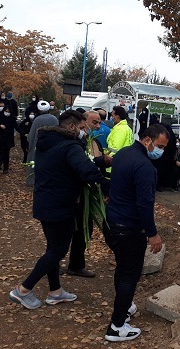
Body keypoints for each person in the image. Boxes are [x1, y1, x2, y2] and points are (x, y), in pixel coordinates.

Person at [9, 110, 109, 310]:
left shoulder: (47, 142)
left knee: (52, 249)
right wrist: (108, 188)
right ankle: (24, 289)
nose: (84, 132)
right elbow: (86, 170)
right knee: (58, 250)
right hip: (61, 205)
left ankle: (55, 291)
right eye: (81, 128)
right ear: (71, 127)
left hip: (44, 202)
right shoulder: (71, 146)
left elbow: (64, 167)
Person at [103, 124, 168, 342]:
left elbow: (115, 184)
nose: (161, 151)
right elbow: (144, 203)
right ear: (148, 140)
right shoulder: (144, 166)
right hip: (129, 228)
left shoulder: (122, 154)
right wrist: (152, 233)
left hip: (111, 222)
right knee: (130, 275)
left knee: (122, 268)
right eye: (160, 146)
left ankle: (125, 305)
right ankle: (117, 326)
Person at [66, 110, 112, 278]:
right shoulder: (75, 142)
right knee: (72, 229)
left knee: (85, 227)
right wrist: (101, 161)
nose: (98, 126)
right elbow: (84, 163)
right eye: (95, 122)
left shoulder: (92, 139)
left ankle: (76, 264)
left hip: (89, 191)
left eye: (99, 122)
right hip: (76, 193)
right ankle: (56, 263)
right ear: (83, 122)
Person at [26, 100, 59, 186]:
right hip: (52, 144)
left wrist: (29, 144)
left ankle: (32, 181)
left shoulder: (37, 120)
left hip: (38, 144)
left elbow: (32, 134)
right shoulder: (54, 119)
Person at [0, 105, 17, 174]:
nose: (7, 113)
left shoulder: (12, 118)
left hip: (7, 138)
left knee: (6, 154)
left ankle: (5, 168)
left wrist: (24, 134)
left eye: (8, 112)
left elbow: (16, 126)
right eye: (6, 111)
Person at [106, 106, 133, 173]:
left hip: (112, 165)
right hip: (123, 161)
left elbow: (115, 148)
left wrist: (107, 161)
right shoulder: (127, 128)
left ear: (117, 116)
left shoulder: (119, 129)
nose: (112, 117)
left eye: (112, 115)